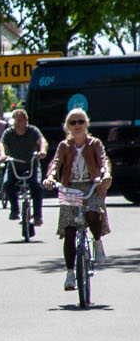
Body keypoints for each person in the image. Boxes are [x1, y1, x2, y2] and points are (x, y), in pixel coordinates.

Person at [43, 108, 111, 289]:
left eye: (80, 121)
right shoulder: (64, 146)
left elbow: (103, 160)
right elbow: (56, 162)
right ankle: (70, 274)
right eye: (73, 122)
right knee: (70, 231)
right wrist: (50, 177)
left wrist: (105, 174)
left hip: (91, 185)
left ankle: (97, 243)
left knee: (92, 213)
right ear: (68, 127)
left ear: (86, 123)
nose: (77, 125)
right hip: (70, 187)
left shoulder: (94, 143)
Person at [0, 108, 48, 224]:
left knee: (36, 186)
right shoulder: (9, 133)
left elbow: (42, 141)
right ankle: (15, 210)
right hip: (14, 166)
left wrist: (42, 151)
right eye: (15, 120)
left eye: (20, 120)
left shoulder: (33, 131)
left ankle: (37, 216)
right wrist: (2, 155)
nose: (18, 123)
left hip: (31, 165)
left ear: (26, 121)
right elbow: (1, 144)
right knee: (7, 184)